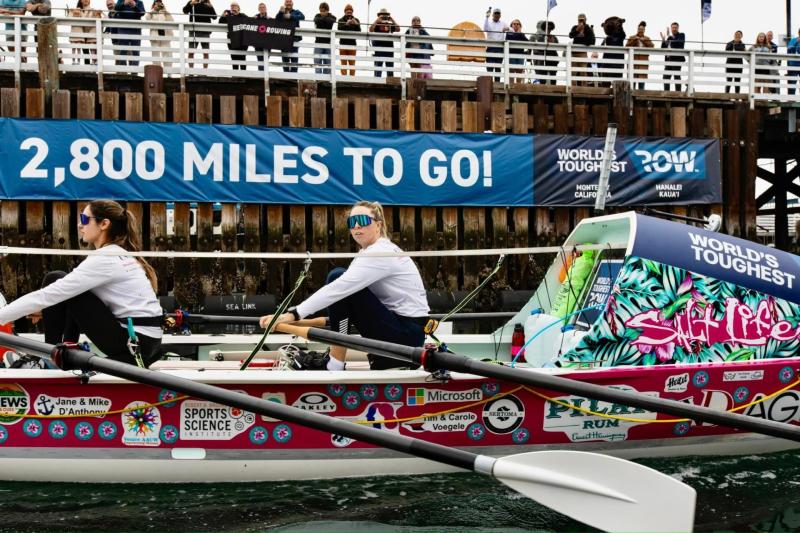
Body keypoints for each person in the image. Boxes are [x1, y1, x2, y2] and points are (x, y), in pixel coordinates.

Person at [258, 201, 429, 371]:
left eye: (363, 220)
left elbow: (338, 289)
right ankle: (335, 359)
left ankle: (334, 364)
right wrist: (298, 321)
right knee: (341, 282)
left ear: (378, 225)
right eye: (352, 222)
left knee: (337, 276)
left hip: (405, 342)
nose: (356, 226)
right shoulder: (371, 251)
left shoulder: (379, 252)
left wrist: (293, 314)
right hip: (406, 334)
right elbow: (344, 310)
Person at [0, 200, 163, 368]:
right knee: (66, 286)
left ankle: (50, 359)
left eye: (84, 219)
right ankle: (62, 352)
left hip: (134, 344)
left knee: (55, 280)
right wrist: (47, 309)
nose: (79, 225)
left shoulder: (105, 259)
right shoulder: (120, 254)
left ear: (104, 224)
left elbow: (47, 295)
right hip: (147, 342)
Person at [183, 0, 217, 69]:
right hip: (194, 31)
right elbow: (185, 11)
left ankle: (205, 71)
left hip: (205, 31)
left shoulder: (207, 3)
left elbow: (214, 17)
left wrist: (211, 7)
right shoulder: (192, 1)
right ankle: (191, 71)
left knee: (206, 52)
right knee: (191, 52)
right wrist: (190, 4)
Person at [68, 0, 102, 65]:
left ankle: (94, 64)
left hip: (90, 34)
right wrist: (71, 11)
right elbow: (70, 18)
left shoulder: (93, 10)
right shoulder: (77, 10)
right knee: (85, 53)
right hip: (81, 33)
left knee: (94, 50)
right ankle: (84, 65)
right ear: (81, 1)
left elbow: (99, 19)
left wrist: (99, 14)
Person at [275, 0, 304, 73]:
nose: (288, 3)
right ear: (285, 3)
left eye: (290, 2)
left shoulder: (296, 12)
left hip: (294, 38)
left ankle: (293, 76)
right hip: (284, 38)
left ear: (292, 3)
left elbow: (302, 17)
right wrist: (280, 12)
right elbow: (276, 19)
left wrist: (291, 16)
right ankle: (286, 75)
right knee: (285, 58)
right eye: (287, 2)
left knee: (294, 58)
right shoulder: (282, 12)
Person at [113, 0, 145, 67]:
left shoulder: (139, 2)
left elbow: (142, 13)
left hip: (136, 30)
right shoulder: (121, 1)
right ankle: (124, 70)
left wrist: (134, 6)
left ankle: (134, 71)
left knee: (136, 52)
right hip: (123, 29)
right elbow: (116, 8)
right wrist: (124, 4)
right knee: (123, 51)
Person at [369, 8, 399, 78]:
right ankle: (377, 81)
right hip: (379, 49)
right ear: (379, 16)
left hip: (389, 49)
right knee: (378, 69)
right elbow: (370, 29)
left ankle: (390, 81)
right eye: (382, 15)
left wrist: (392, 20)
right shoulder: (376, 25)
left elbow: (398, 29)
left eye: (385, 15)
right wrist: (377, 21)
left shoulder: (390, 25)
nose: (384, 16)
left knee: (390, 68)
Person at [625, 21, 653, 90]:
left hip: (643, 64)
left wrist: (644, 41)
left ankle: (641, 97)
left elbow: (652, 47)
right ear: (637, 29)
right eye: (639, 29)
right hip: (633, 63)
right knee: (632, 85)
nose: (641, 30)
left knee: (641, 85)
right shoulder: (632, 37)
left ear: (644, 30)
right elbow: (626, 46)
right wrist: (634, 40)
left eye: (642, 29)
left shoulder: (647, 38)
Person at [568, 13, 595, 86]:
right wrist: (577, 30)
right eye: (579, 19)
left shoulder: (588, 29)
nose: (581, 21)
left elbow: (591, 42)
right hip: (574, 53)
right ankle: (573, 88)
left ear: (586, 19)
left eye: (582, 19)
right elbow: (570, 35)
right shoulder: (575, 27)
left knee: (583, 72)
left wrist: (585, 37)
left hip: (583, 53)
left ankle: (584, 88)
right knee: (573, 72)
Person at [145, 0, 173, 67]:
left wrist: (165, 11)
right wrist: (153, 10)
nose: (158, 3)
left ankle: (168, 69)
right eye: (157, 2)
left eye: (160, 2)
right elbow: (147, 18)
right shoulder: (151, 13)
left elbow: (171, 21)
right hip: (155, 35)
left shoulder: (165, 12)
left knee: (167, 53)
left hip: (165, 35)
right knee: (155, 53)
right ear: (154, 4)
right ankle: (157, 69)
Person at [219, 1, 247, 70]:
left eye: (234, 6)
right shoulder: (228, 16)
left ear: (238, 8)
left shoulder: (242, 15)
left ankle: (243, 73)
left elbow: (248, 21)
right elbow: (220, 23)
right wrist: (223, 16)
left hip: (241, 40)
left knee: (242, 57)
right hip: (232, 39)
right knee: (234, 57)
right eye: (231, 6)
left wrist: (237, 14)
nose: (233, 7)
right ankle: (235, 74)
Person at [483, 7, 507, 82]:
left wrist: (507, 29)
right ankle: (489, 83)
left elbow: (511, 30)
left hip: (500, 48)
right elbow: (485, 29)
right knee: (489, 67)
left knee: (498, 68)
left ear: (500, 15)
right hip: (490, 47)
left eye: (498, 14)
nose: (497, 15)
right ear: (493, 15)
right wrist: (487, 17)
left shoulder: (503, 23)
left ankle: (497, 83)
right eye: (495, 13)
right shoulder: (489, 23)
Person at [660, 22, 685, 92]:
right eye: (673, 28)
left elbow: (679, 43)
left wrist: (670, 36)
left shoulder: (681, 35)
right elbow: (663, 48)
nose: (674, 29)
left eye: (675, 27)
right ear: (671, 29)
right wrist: (663, 41)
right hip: (668, 60)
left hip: (677, 59)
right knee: (665, 77)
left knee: (676, 76)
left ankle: (678, 93)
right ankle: (666, 93)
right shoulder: (669, 37)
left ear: (678, 28)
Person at [313, 2, 336, 75]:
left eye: (324, 11)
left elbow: (332, 20)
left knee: (328, 63)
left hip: (328, 44)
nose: (322, 12)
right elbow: (316, 20)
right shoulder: (317, 16)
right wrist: (324, 17)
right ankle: (318, 79)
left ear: (327, 10)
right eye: (321, 11)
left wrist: (324, 17)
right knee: (317, 62)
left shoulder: (332, 16)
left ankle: (326, 80)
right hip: (318, 43)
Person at [337, 4, 360, 76]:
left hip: (352, 45)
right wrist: (346, 24)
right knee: (343, 63)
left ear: (352, 12)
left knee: (352, 63)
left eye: (350, 11)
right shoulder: (341, 20)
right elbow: (339, 28)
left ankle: (351, 79)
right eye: (347, 11)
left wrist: (356, 24)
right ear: (345, 11)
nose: (349, 12)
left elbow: (359, 30)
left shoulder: (356, 20)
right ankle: (344, 78)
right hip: (343, 44)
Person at [600, 16, 626, 81]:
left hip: (617, 65)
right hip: (608, 64)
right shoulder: (607, 38)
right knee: (605, 83)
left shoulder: (620, 36)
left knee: (616, 83)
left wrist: (620, 24)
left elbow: (623, 34)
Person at [505, 19, 528, 84]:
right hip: (511, 55)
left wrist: (520, 33)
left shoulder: (522, 34)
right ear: (511, 25)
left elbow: (527, 42)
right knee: (511, 71)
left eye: (518, 24)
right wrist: (518, 33)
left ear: (520, 26)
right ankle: (511, 86)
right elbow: (512, 39)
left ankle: (518, 86)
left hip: (520, 55)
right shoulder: (509, 34)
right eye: (514, 24)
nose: (516, 25)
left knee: (519, 71)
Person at [253, 2, 268, 71]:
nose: (262, 9)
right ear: (258, 9)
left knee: (266, 59)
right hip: (258, 42)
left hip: (267, 43)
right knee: (260, 59)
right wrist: (252, 19)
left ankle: (264, 73)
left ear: (266, 9)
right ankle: (261, 74)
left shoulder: (269, 19)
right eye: (260, 8)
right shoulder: (255, 18)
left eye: (263, 7)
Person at [788, 27, 800, 95]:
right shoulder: (793, 40)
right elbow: (789, 49)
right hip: (793, 65)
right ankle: (791, 99)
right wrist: (796, 42)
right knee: (792, 84)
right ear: (798, 33)